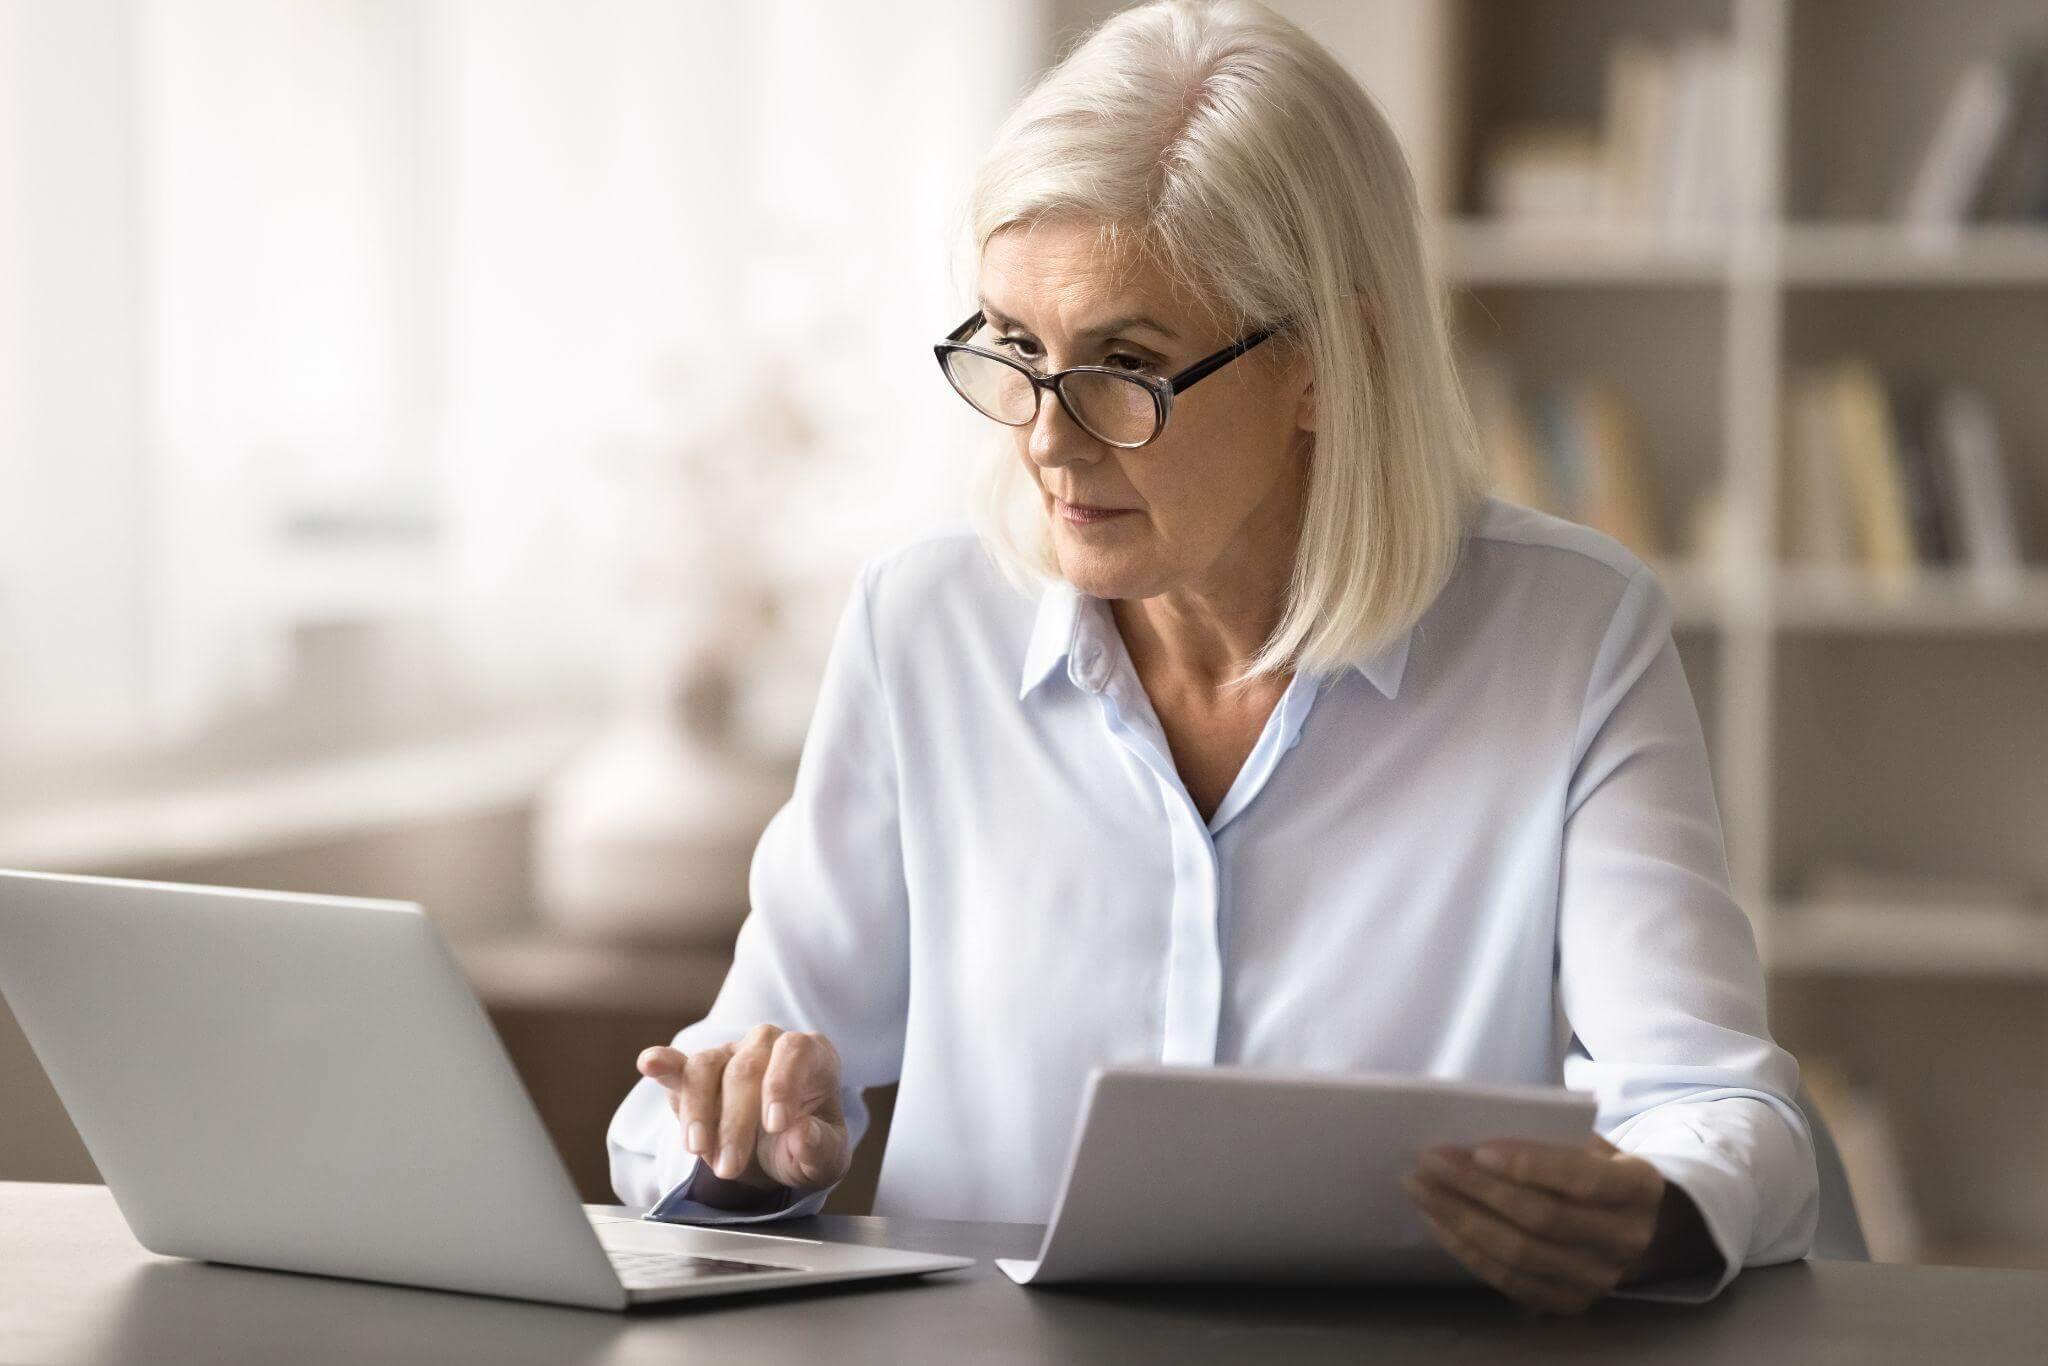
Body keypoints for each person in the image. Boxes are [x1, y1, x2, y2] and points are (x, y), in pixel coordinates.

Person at [607, 0, 1817, 1313]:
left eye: (1128, 364)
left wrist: (1649, 1213)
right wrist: (745, 1143)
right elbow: (695, 1098)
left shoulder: (1570, 637)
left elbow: (1715, 1100)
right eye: (1017, 348)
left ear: (1328, 361)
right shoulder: (924, 626)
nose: (1047, 443)